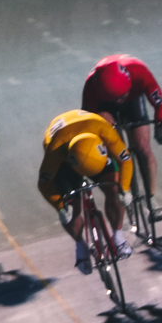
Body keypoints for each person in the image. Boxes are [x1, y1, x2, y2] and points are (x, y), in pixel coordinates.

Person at [36, 109, 133, 273]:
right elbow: (44, 183)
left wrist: (124, 189)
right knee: (71, 208)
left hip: (94, 151)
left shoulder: (105, 131)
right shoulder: (55, 148)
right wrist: (59, 206)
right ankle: (80, 245)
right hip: (65, 160)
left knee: (114, 190)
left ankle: (118, 237)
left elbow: (126, 161)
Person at [81, 54, 162, 217]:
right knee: (116, 150)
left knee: (144, 149)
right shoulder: (92, 87)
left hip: (133, 98)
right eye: (117, 98)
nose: (120, 101)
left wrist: (160, 126)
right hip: (104, 105)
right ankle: (123, 191)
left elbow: (160, 103)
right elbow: (88, 119)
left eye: (122, 96)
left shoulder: (139, 72)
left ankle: (151, 199)